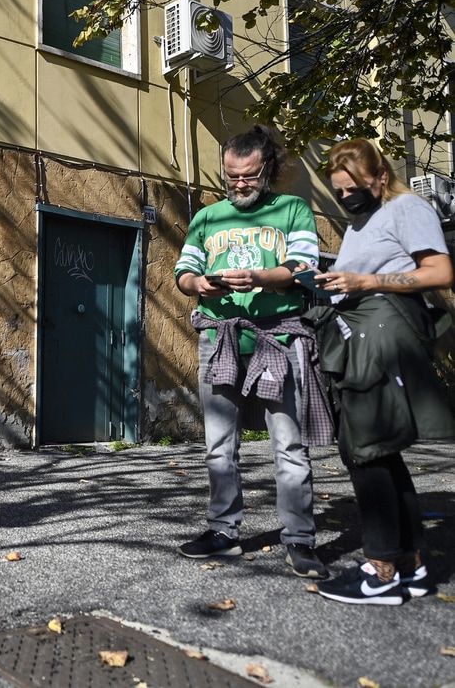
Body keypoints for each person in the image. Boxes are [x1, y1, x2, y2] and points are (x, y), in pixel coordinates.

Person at [173, 124, 332, 578]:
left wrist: (260, 277)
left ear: (269, 168)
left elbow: (305, 266)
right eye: (231, 177)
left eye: (249, 175)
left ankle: (300, 540)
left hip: (279, 337)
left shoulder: (292, 209)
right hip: (220, 338)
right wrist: (197, 284)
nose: (240, 184)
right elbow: (183, 272)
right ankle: (223, 532)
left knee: (290, 446)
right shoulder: (208, 217)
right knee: (219, 446)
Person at [306, 139, 454, 605]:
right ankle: (412, 566)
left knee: (366, 450)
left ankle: (380, 571)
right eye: (338, 191)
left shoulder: (406, 208)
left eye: (354, 188)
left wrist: (366, 280)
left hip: (383, 335)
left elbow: (440, 272)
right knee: (378, 452)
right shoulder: (361, 223)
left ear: (381, 176)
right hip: (359, 335)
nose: (346, 197)